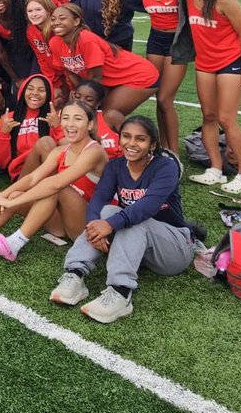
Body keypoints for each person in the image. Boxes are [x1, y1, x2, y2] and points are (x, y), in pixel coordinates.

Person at [48, 116, 194, 324]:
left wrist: (109, 225)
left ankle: (120, 292)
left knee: (131, 219)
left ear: (152, 144)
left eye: (140, 139)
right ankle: (75, 273)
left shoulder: (166, 167)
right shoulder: (116, 166)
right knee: (108, 210)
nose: (132, 143)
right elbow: (98, 200)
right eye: (126, 136)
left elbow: (147, 207)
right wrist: (93, 230)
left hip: (175, 248)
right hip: (140, 247)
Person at [0, 100, 108, 260]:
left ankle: (14, 243)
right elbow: (33, 177)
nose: (70, 124)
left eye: (77, 119)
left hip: (85, 226)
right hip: (59, 221)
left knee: (56, 187)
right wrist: (3, 196)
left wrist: (12, 203)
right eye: (65, 118)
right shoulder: (61, 151)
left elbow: (55, 183)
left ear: (90, 124)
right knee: (14, 196)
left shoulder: (94, 151)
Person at [131, 0, 235, 154]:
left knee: (165, 98)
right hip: (155, 41)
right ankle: (163, 147)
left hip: (177, 44)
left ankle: (173, 152)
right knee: (157, 98)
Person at [177, 0, 241, 195]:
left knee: (226, 118)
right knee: (208, 116)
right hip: (204, 64)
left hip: (230, 63)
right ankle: (215, 169)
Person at [48, 3, 158, 131]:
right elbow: (70, 72)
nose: (56, 22)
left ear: (76, 21)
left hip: (139, 76)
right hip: (111, 80)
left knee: (106, 114)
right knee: (88, 113)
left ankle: (126, 144)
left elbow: (95, 78)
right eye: (53, 19)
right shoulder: (54, 43)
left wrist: (81, 105)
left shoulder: (86, 40)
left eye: (62, 18)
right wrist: (76, 97)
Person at [0, 73, 54, 180]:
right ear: (23, 91)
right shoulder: (9, 118)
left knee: (47, 143)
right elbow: (0, 163)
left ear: (49, 95)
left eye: (41, 90)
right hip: (22, 174)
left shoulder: (52, 117)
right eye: (30, 89)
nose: (35, 93)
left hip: (46, 170)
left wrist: (57, 127)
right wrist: (3, 134)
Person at [24, 0, 63, 95]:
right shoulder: (30, 31)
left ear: (49, 11)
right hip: (51, 73)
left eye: (38, 9)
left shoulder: (58, 29)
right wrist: (54, 83)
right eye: (30, 11)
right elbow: (41, 58)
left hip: (68, 72)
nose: (34, 14)